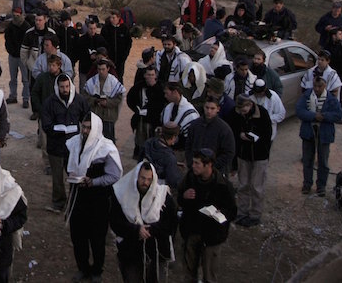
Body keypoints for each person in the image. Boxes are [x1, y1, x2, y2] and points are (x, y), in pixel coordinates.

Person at [65, 112, 123, 283]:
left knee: (97, 237)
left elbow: (114, 175)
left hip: (98, 200)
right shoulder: (74, 143)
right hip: (78, 197)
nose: (85, 131)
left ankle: (97, 269)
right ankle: (83, 267)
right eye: (83, 126)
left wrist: (94, 182)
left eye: (89, 128)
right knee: (78, 236)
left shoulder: (106, 148)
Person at [109, 162, 178, 283]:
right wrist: (136, 230)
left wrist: (150, 230)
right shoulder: (121, 194)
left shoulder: (162, 196)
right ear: (136, 176)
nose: (145, 182)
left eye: (148, 179)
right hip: (130, 251)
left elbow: (170, 223)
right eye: (142, 178)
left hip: (157, 251)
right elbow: (115, 222)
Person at [177, 148, 237, 283]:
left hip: (212, 237)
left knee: (209, 276)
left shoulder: (223, 186)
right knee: (189, 274)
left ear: (208, 165)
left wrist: (217, 214)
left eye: (197, 163)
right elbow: (179, 199)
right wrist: (184, 196)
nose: (193, 166)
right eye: (193, 162)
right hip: (192, 232)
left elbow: (232, 211)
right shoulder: (190, 178)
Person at [42, 73, 90, 213]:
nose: (65, 90)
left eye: (67, 86)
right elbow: (46, 125)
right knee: (57, 178)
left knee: (75, 175)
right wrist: (57, 130)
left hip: (74, 147)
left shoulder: (79, 100)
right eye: (62, 87)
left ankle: (77, 202)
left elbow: (87, 117)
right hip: (56, 146)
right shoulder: (49, 102)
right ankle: (58, 203)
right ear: (57, 87)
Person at [228, 93, 272, 227]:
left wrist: (254, 138)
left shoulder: (262, 114)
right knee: (243, 185)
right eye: (240, 110)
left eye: (244, 109)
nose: (242, 112)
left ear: (250, 105)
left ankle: (255, 215)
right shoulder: (236, 114)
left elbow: (267, 135)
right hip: (243, 155)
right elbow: (233, 132)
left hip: (259, 156)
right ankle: (242, 213)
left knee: (257, 187)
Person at [297, 76, 342, 195]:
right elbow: (299, 110)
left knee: (323, 162)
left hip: (324, 134)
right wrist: (314, 116)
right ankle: (307, 184)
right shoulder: (307, 95)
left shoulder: (331, 99)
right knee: (307, 160)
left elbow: (338, 114)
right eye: (315, 86)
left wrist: (323, 116)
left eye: (320, 86)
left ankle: (321, 186)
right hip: (308, 133)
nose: (317, 89)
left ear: (325, 86)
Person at [184, 98, 235, 175]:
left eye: (212, 108)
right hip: (195, 169)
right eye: (207, 108)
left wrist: (211, 166)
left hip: (216, 172)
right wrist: (192, 163)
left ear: (218, 109)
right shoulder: (195, 125)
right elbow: (188, 146)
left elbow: (229, 152)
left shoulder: (224, 129)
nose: (209, 111)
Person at [127, 65, 166, 161]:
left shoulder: (160, 89)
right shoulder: (139, 87)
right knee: (140, 144)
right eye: (148, 75)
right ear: (145, 75)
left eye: (152, 75)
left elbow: (162, 105)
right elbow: (130, 98)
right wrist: (136, 109)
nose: (150, 77)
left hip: (154, 122)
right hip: (141, 121)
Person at [83, 59, 126, 141]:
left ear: (108, 69)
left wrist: (108, 103)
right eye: (99, 69)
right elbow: (85, 95)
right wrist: (95, 101)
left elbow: (119, 97)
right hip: (96, 114)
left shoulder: (113, 81)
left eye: (103, 69)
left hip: (108, 116)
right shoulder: (92, 82)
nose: (101, 71)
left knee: (108, 139)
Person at [160, 83, 200, 153]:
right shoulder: (168, 108)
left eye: (167, 93)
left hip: (180, 151)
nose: (165, 96)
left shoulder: (190, 112)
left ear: (175, 92)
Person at [143, 122, 184, 190]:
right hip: (158, 188)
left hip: (143, 180)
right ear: (174, 137)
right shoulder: (169, 157)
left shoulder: (149, 143)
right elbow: (173, 180)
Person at [4, 8, 31, 108]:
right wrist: (10, 50)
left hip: (23, 57)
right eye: (14, 15)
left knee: (25, 79)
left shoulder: (26, 27)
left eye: (17, 15)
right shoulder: (10, 26)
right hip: (13, 55)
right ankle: (13, 95)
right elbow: (7, 39)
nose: (16, 17)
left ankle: (25, 98)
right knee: (13, 78)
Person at [101, 10, 133, 82]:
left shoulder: (124, 28)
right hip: (108, 59)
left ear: (118, 18)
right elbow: (102, 42)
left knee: (119, 77)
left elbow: (129, 43)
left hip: (120, 59)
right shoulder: (106, 28)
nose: (111, 19)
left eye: (113, 18)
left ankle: (119, 92)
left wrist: (125, 55)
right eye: (110, 18)